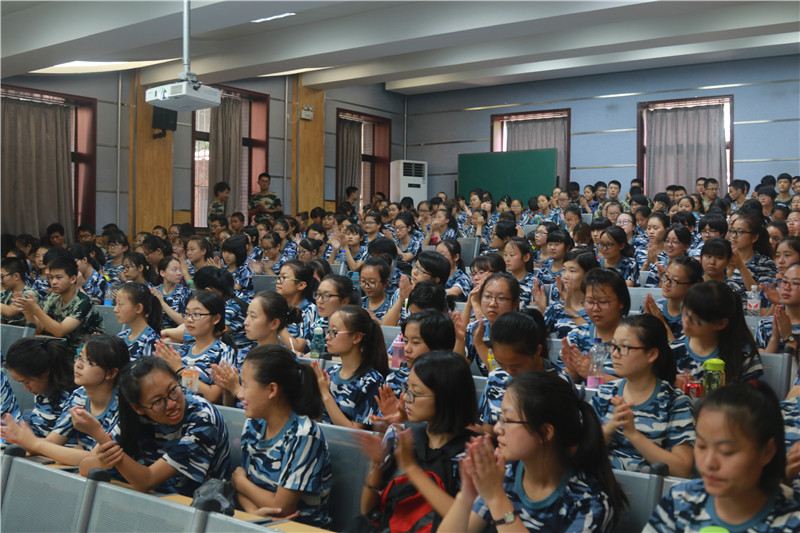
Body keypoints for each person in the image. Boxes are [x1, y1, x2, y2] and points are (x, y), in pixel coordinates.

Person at [439, 371, 626, 533]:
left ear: (545, 433)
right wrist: (467, 494)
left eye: (507, 420)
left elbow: (497, 498)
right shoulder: (507, 475)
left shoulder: (589, 501)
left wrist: (496, 498)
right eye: (499, 418)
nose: (497, 428)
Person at [645, 381, 800, 532]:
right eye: (702, 446)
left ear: (767, 451)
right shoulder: (680, 500)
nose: (709, 463)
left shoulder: (792, 521)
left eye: (727, 452)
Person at [357, 351, 478, 533]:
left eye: (416, 392)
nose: (406, 398)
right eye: (407, 388)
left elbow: (466, 524)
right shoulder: (402, 435)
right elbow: (367, 511)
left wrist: (411, 467)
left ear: (446, 397)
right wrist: (376, 464)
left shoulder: (473, 453)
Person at [77, 356, 231, 496]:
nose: (171, 404)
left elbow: (146, 481)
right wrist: (106, 459)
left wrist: (98, 433)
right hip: (146, 500)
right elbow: (85, 468)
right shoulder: (134, 417)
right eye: (157, 401)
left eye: (173, 390)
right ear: (138, 408)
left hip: (193, 506)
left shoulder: (202, 417)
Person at [233, 345, 332, 527]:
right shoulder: (253, 424)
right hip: (257, 523)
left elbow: (282, 508)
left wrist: (239, 482)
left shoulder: (304, 435)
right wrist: (253, 514)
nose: (240, 393)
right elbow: (246, 492)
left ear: (272, 390)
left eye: (245, 385)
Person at [591, 315, 695, 477]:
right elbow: (579, 453)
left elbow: (682, 469)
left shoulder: (675, 401)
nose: (615, 354)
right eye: (613, 346)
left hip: (651, 489)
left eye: (624, 347)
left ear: (652, 354)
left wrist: (634, 435)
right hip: (602, 485)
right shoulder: (605, 393)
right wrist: (609, 428)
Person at [1, 335, 129, 466]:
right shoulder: (79, 395)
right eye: (79, 357)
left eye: (90, 362)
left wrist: (34, 443)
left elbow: (97, 459)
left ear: (111, 373)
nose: (78, 365)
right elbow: (51, 442)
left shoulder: (124, 405)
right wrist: (22, 438)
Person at [212, 290, 302, 406]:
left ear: (274, 323)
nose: (246, 322)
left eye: (253, 316)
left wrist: (236, 389)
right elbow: (231, 409)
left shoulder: (286, 360)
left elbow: (273, 408)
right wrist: (228, 389)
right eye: (247, 315)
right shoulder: (243, 353)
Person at [477, 310, 563, 431]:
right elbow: (489, 430)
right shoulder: (496, 377)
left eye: (516, 366)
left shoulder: (558, 384)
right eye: (501, 363)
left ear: (537, 351)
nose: (508, 371)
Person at [671, 281, 763, 389]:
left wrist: (699, 390)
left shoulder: (741, 354)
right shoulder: (674, 350)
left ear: (720, 323)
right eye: (685, 313)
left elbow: (755, 397)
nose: (686, 321)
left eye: (695, 319)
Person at [155, 290, 238, 404]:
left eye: (196, 314)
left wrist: (180, 371)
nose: (189, 319)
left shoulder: (224, 351)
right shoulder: (184, 349)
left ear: (215, 318)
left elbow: (212, 396)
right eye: (187, 314)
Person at [312, 305, 388, 428]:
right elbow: (315, 421)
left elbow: (353, 433)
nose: (327, 337)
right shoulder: (329, 373)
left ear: (356, 337)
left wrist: (325, 394)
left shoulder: (371, 381)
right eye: (328, 331)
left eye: (334, 332)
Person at [12, 256, 103, 354]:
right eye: (51, 278)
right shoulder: (52, 298)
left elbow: (60, 331)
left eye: (59, 277)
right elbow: (38, 329)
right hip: (57, 351)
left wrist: (35, 308)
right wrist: (28, 311)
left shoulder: (84, 302)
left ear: (73, 279)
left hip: (82, 353)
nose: (53, 282)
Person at [561, 268, 629, 384]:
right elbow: (563, 381)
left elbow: (640, 388)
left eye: (603, 302)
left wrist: (593, 373)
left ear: (621, 302)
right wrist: (572, 371)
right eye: (590, 302)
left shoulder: (635, 340)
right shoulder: (576, 336)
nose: (595, 308)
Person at [3, 337, 75, 437]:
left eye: (27, 382)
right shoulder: (43, 393)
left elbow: (50, 443)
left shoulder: (72, 400)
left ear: (45, 372)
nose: (26, 388)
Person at [382, 309, 457, 399]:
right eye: (405, 341)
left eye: (415, 342)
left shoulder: (452, 382)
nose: (407, 349)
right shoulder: (395, 380)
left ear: (438, 346)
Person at [458, 273, 520, 377]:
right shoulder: (474, 328)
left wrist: (479, 344)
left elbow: (505, 376)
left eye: (501, 298)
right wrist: (459, 339)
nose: (492, 304)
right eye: (487, 296)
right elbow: (458, 369)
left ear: (515, 304)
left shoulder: (521, 331)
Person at [642, 256, 703, 341]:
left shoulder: (697, 317)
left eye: (674, 281)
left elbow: (680, 349)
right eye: (666, 276)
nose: (667, 283)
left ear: (693, 286)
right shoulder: (656, 306)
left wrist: (660, 322)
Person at [541, 248, 596, 338]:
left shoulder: (597, 310)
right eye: (563, 270)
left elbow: (594, 341)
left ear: (588, 274)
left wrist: (570, 310)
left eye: (572, 271)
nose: (565, 276)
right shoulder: (557, 308)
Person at [757, 261, 800, 356]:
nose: (786, 288)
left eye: (795, 283)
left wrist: (788, 337)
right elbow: (763, 364)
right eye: (784, 281)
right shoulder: (765, 325)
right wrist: (775, 338)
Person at [115, 281, 162, 359]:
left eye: (120, 304)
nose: (115, 309)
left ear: (138, 308)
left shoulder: (151, 341)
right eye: (116, 304)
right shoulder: (121, 336)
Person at [152, 256, 191, 328]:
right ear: (162, 273)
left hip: (177, 332)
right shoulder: (153, 292)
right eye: (174, 270)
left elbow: (184, 322)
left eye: (180, 270)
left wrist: (162, 303)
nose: (179, 273)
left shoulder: (185, 292)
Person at [0, 256, 40, 326]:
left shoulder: (29, 294)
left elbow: (10, 311)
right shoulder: (6, 294)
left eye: (2, 277)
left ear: (16, 276)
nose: (1, 281)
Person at [359, 257, 397, 321]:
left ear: (386, 282)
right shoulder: (358, 303)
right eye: (363, 281)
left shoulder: (393, 306)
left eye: (372, 282)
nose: (367, 286)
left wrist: (376, 321)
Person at [221, 234, 254, 301]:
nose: (226, 256)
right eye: (224, 252)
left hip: (242, 301)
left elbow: (236, 287)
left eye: (230, 253)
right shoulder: (224, 269)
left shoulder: (244, 270)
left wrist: (218, 275)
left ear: (239, 253)